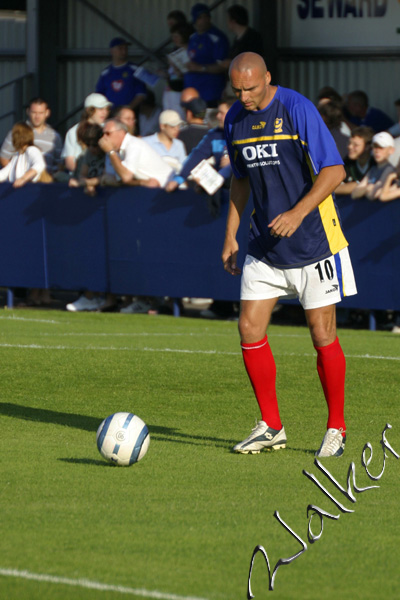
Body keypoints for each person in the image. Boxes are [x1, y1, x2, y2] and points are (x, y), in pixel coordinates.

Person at [222, 52, 357, 458]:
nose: (244, 96)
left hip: (314, 241)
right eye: (237, 89)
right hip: (264, 245)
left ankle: (337, 427)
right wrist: (229, 236)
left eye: (251, 87)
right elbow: (240, 179)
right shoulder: (234, 119)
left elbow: (335, 170)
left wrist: (298, 213)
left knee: (323, 334)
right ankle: (271, 426)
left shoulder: (297, 109)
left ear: (267, 78)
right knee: (249, 329)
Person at [98, 118, 173, 188]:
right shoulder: (120, 150)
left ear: (121, 132)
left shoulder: (133, 145)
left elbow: (126, 177)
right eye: (103, 134)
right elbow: (120, 180)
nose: (104, 137)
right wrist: (141, 182)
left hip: (171, 189)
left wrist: (111, 152)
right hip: (158, 190)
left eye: (108, 133)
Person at [0, 97, 62, 174]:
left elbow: (59, 164)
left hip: (46, 183)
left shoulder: (55, 136)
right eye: (34, 112)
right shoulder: (18, 132)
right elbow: (3, 158)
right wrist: (18, 175)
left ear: (47, 113)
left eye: (41, 113)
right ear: (28, 112)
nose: (37, 117)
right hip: (22, 184)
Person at [184, 3, 230, 107]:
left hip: (210, 93)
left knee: (209, 122)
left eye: (207, 16)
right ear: (195, 19)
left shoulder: (217, 37)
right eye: (200, 17)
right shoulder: (193, 37)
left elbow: (223, 66)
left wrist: (201, 68)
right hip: (192, 92)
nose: (204, 20)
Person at [61, 93, 112, 175]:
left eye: (107, 109)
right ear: (89, 110)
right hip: (78, 179)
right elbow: (69, 163)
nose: (105, 112)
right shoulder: (73, 131)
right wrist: (83, 174)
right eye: (100, 109)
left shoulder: (109, 129)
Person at [95, 37, 147, 110]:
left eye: (126, 48)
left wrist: (128, 109)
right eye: (120, 48)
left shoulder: (135, 69)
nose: (124, 51)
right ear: (112, 51)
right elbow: (99, 95)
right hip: (110, 115)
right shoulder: (105, 73)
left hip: (130, 115)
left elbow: (141, 94)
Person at [351, 131, 396, 200]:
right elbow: (354, 194)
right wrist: (367, 188)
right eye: (375, 147)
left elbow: (372, 195)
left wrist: (366, 189)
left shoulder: (389, 169)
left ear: (391, 150)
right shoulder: (373, 169)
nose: (377, 151)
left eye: (381, 147)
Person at [0, 122, 46, 186]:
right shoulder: (16, 156)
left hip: (30, 191)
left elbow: (39, 165)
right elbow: (4, 173)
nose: (12, 138)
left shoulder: (32, 150)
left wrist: (23, 179)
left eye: (14, 135)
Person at [335, 126, 375, 196]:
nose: (350, 147)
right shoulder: (348, 162)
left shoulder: (375, 163)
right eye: (349, 143)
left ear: (368, 146)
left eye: (355, 145)